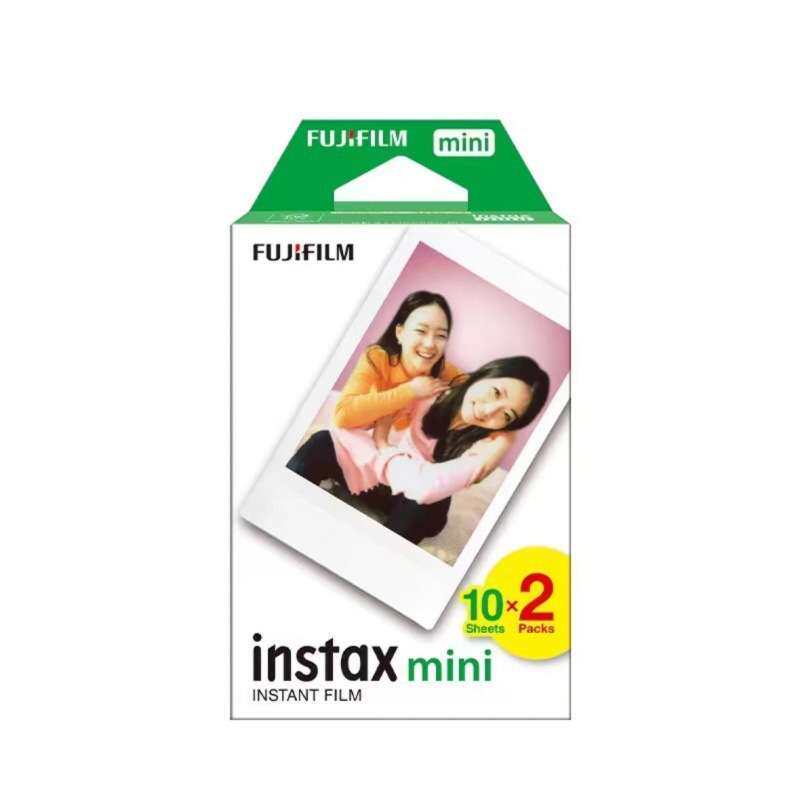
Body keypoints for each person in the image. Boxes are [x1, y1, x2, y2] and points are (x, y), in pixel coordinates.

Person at [293, 356, 550, 545]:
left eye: (506, 415)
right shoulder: (433, 393)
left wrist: (383, 447)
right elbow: (380, 413)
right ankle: (287, 507)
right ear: (485, 374)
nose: (487, 411)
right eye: (495, 392)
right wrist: (381, 437)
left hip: (419, 504)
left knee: (422, 503)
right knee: (323, 442)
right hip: (385, 480)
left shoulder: (491, 445)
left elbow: (426, 488)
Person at [287, 291, 460, 500]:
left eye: (441, 335)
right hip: (361, 458)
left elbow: (481, 399)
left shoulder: (448, 375)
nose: (430, 343)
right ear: (400, 332)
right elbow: (343, 415)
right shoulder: (377, 358)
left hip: (400, 473)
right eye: (421, 331)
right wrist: (410, 391)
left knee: (437, 499)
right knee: (320, 443)